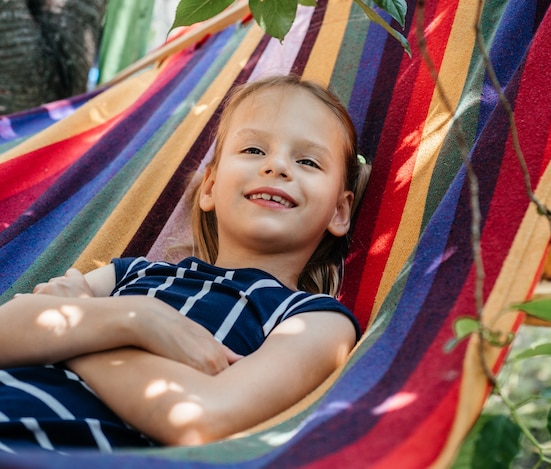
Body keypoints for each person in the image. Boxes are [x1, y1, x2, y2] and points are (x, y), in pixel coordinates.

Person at [0, 75, 371, 453]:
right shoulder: (134, 272)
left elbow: (198, 418)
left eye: (307, 161)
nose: (276, 166)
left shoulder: (315, 320)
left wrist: (86, 324)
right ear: (208, 187)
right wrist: (134, 316)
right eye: (254, 151)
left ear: (339, 211)